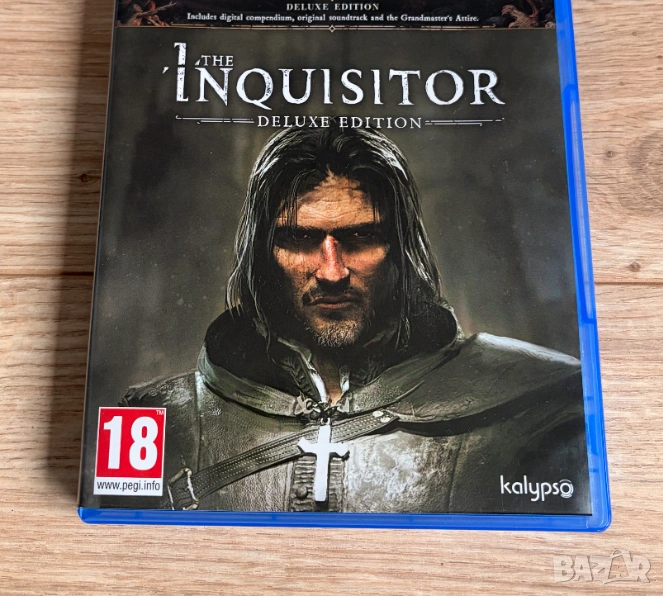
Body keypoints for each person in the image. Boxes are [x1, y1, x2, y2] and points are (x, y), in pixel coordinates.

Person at [123, 125, 590, 514]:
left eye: (361, 237)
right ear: (264, 257)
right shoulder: (152, 419)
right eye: (301, 239)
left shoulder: (541, 401)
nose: (332, 272)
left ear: (400, 250)